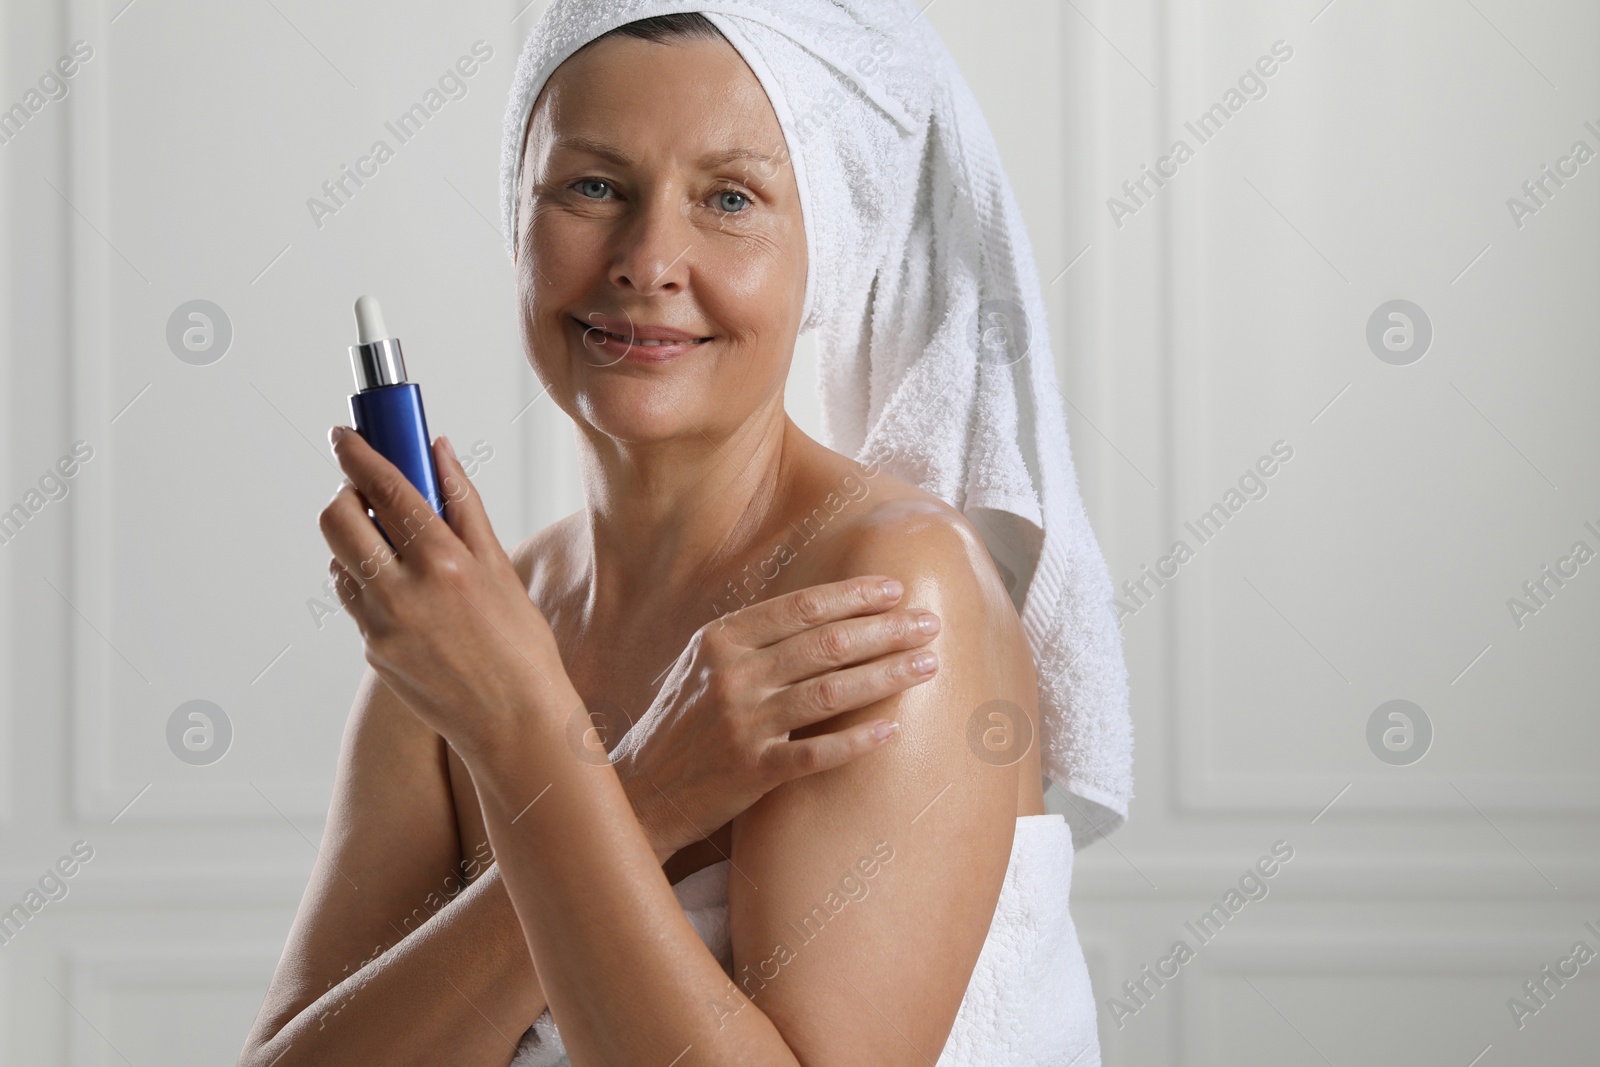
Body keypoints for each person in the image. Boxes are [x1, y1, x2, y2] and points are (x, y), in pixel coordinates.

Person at [242, 7, 1118, 1066]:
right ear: (516, 216)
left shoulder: (888, 590)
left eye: (731, 198)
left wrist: (525, 738)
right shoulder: (463, 631)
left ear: (827, 244)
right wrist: (641, 794)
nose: (649, 259)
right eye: (594, 186)